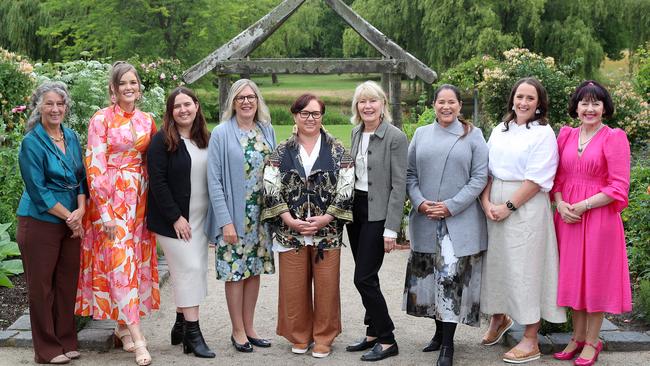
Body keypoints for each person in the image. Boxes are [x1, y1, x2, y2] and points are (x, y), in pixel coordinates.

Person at [75, 61, 158, 366]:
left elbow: (153, 162)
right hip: (110, 201)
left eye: (133, 83)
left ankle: (122, 327)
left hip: (139, 201)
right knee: (120, 264)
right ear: (113, 88)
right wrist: (106, 214)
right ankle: (139, 340)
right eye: (123, 83)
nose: (129, 88)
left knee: (132, 263)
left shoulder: (148, 121)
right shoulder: (101, 120)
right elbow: (94, 167)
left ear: (139, 88)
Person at [480, 77, 566, 364]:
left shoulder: (543, 133)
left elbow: (538, 179)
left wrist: (508, 205)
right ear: (512, 99)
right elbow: (487, 170)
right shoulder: (500, 129)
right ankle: (499, 316)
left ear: (539, 103)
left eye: (530, 98)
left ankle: (530, 337)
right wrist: (486, 202)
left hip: (525, 205)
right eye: (519, 97)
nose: (523, 103)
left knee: (526, 269)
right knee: (497, 264)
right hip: (495, 198)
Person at [261, 93, 354, 358]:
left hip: (327, 233)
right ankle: (299, 335)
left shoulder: (338, 150)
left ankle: (324, 337)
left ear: (322, 116)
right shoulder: (280, 152)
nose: (310, 118)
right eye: (304, 113)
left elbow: (347, 189)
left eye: (315, 113)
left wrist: (327, 217)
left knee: (326, 287)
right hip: (291, 233)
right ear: (295, 116)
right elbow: (270, 188)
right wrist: (288, 219)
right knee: (293, 287)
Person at [404, 84, 488, 366]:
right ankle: (438, 334)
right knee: (431, 278)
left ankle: (448, 347)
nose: (446, 107)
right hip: (426, 218)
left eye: (452, 102)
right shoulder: (421, 134)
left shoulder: (473, 136)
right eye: (441, 102)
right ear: (434, 105)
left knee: (451, 279)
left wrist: (451, 205)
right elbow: (410, 174)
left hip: (458, 220)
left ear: (459, 106)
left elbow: (479, 178)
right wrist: (420, 202)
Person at [551, 80, 631, 366]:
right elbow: (557, 178)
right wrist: (560, 203)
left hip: (598, 218)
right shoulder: (566, 136)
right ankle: (577, 337)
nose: (590, 108)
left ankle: (593, 341)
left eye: (596, 103)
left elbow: (618, 187)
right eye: (584, 102)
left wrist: (583, 205)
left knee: (594, 279)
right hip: (568, 216)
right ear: (576, 107)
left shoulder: (614, 137)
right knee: (574, 278)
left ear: (604, 108)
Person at [17, 81, 86, 364]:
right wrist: (71, 217)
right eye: (49, 103)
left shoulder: (71, 136)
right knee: (41, 287)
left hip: (72, 220)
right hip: (40, 221)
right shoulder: (31, 142)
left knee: (67, 283)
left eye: (60, 103)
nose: (55, 109)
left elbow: (82, 176)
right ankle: (46, 349)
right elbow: (38, 190)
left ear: (66, 107)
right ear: (39, 107)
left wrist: (81, 210)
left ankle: (66, 341)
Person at [205, 79, 275, 353]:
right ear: (233, 103)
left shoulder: (266, 130)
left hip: (260, 217)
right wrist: (226, 221)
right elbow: (214, 181)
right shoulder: (222, 133)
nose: (246, 102)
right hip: (234, 216)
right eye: (240, 98)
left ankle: (250, 326)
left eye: (251, 97)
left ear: (258, 101)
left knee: (253, 270)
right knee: (235, 273)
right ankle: (237, 331)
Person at [146, 86, 215, 358]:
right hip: (172, 221)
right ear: (170, 112)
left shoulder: (204, 139)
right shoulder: (162, 141)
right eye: (177, 106)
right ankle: (193, 335)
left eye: (187, 104)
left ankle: (179, 325)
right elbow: (158, 183)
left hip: (200, 219)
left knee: (192, 271)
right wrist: (175, 217)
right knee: (190, 269)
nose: (183, 110)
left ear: (197, 106)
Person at [344, 80, 406, 362]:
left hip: (378, 214)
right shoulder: (356, 132)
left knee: (364, 278)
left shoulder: (394, 137)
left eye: (373, 101)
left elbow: (399, 185)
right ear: (357, 106)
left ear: (383, 104)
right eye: (362, 101)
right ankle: (371, 332)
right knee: (366, 273)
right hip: (355, 212)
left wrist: (391, 228)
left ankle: (387, 337)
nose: (367, 106)